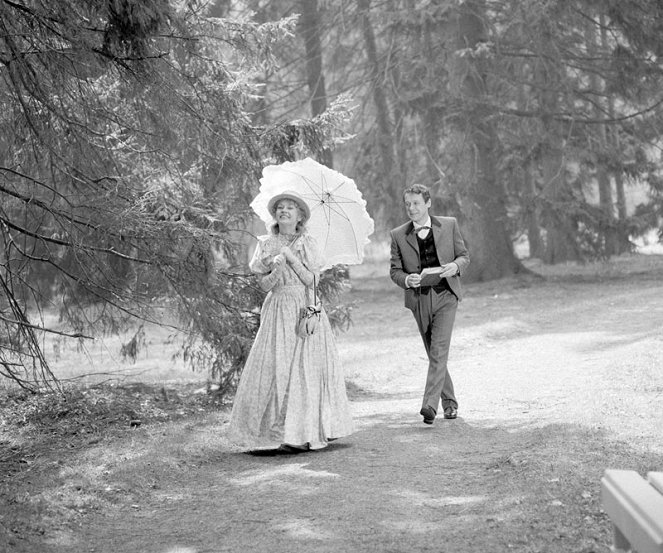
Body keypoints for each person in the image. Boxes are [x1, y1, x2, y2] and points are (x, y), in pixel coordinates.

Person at [228, 190, 354, 451]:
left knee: (303, 369)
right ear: (275, 215)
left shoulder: (306, 241)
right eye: (280, 208)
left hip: (303, 307)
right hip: (277, 309)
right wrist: (276, 266)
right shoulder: (266, 244)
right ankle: (273, 434)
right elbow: (264, 285)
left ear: (300, 216)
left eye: (290, 208)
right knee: (275, 365)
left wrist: (292, 258)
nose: (284, 211)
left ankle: (302, 433)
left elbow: (312, 281)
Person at [389, 184, 470, 425]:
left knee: (439, 349)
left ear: (428, 203)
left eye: (416, 203)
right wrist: (407, 279)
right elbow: (394, 271)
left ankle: (429, 405)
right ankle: (450, 404)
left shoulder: (449, 224)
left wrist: (455, 267)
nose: (411, 208)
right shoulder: (398, 235)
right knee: (433, 351)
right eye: (407, 204)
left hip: (446, 294)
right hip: (419, 299)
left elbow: (464, 256)